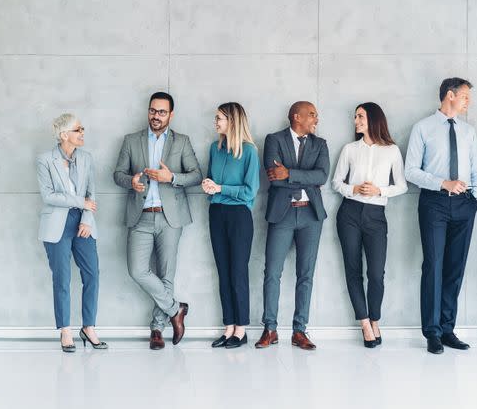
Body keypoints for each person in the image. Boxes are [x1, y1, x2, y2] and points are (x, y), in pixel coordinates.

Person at [113, 92, 202, 350]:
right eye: (153, 110)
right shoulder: (131, 141)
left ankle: (157, 329)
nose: (156, 116)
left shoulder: (181, 142)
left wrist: (171, 177)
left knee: (166, 274)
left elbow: (196, 175)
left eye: (162, 112)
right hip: (140, 216)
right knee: (137, 270)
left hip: (170, 216)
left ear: (171, 115)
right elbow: (117, 174)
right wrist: (130, 181)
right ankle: (176, 309)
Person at [404, 77, 477, 354]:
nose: (467, 102)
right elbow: (410, 171)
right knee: (434, 266)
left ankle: (448, 329)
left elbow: (476, 169)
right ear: (450, 95)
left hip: (465, 205)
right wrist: (443, 183)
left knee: (455, 268)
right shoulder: (422, 128)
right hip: (434, 203)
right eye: (464, 97)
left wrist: (475, 201)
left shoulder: (468, 131)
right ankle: (432, 333)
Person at [255, 101, 329, 351]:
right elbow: (273, 178)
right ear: (297, 116)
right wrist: (302, 178)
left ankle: (300, 331)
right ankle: (270, 329)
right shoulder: (274, 140)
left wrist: (291, 174)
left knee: (305, 274)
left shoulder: (320, 144)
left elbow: (322, 176)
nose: (316, 119)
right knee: (272, 273)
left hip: (311, 216)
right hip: (282, 214)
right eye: (312, 115)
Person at [332, 102, 407, 348]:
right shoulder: (349, 149)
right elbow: (336, 183)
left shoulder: (392, 150)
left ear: (373, 119)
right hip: (349, 213)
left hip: (376, 215)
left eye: (360, 116)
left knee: (376, 273)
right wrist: (352, 188)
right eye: (355, 116)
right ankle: (365, 323)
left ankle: (375, 318)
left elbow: (402, 186)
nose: (356, 120)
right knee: (352, 270)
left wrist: (379, 190)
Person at [36, 113, 107, 352]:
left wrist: (86, 217)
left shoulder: (86, 158)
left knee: (92, 275)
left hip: (83, 223)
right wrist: (80, 202)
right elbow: (49, 196)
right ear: (64, 134)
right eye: (78, 130)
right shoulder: (45, 160)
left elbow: (92, 193)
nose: (82, 133)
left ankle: (88, 327)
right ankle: (65, 330)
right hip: (57, 225)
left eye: (82, 128)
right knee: (62, 279)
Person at [202, 102, 260, 349]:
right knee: (223, 272)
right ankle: (228, 327)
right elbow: (211, 181)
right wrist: (209, 186)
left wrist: (221, 189)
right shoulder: (215, 149)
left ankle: (241, 329)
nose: (215, 122)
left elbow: (250, 191)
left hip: (239, 216)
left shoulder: (249, 152)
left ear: (233, 121)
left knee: (238, 271)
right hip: (216, 212)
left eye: (219, 118)